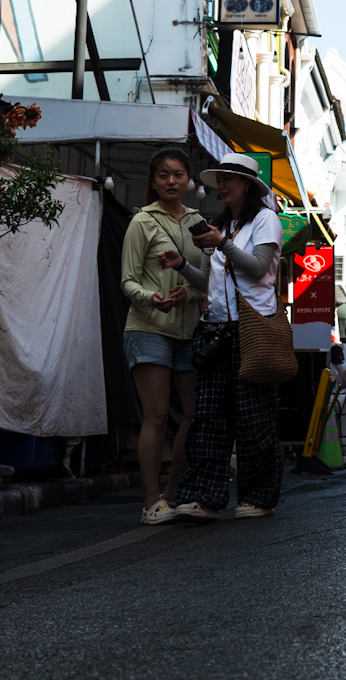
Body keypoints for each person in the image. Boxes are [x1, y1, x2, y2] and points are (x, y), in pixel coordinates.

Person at [163, 152, 284, 521]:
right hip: (214, 329)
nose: (222, 185)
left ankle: (259, 497)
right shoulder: (220, 225)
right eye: (219, 179)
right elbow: (208, 282)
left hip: (253, 330)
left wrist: (222, 244)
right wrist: (182, 265)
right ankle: (204, 496)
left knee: (254, 418)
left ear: (247, 185)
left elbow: (259, 268)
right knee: (209, 416)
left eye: (229, 179)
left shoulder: (265, 220)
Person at [119, 148, 206, 525]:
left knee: (193, 414)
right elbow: (127, 280)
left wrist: (191, 293)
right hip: (149, 326)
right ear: (153, 182)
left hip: (188, 329)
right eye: (164, 175)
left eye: (179, 175)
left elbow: (209, 280)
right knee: (155, 415)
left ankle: (173, 494)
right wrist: (150, 298)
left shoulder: (199, 222)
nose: (172, 181)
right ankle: (151, 501)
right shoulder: (141, 221)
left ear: (189, 180)